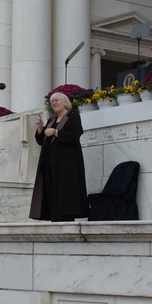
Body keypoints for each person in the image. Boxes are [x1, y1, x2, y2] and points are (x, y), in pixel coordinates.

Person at [30, 92, 89, 221]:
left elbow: (75, 135)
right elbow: (41, 141)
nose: (54, 103)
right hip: (49, 162)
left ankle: (65, 219)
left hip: (66, 163)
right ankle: (54, 217)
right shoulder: (51, 120)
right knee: (50, 191)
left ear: (65, 102)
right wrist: (40, 128)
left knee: (65, 191)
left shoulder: (73, 116)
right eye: (52, 101)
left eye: (57, 100)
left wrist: (56, 132)